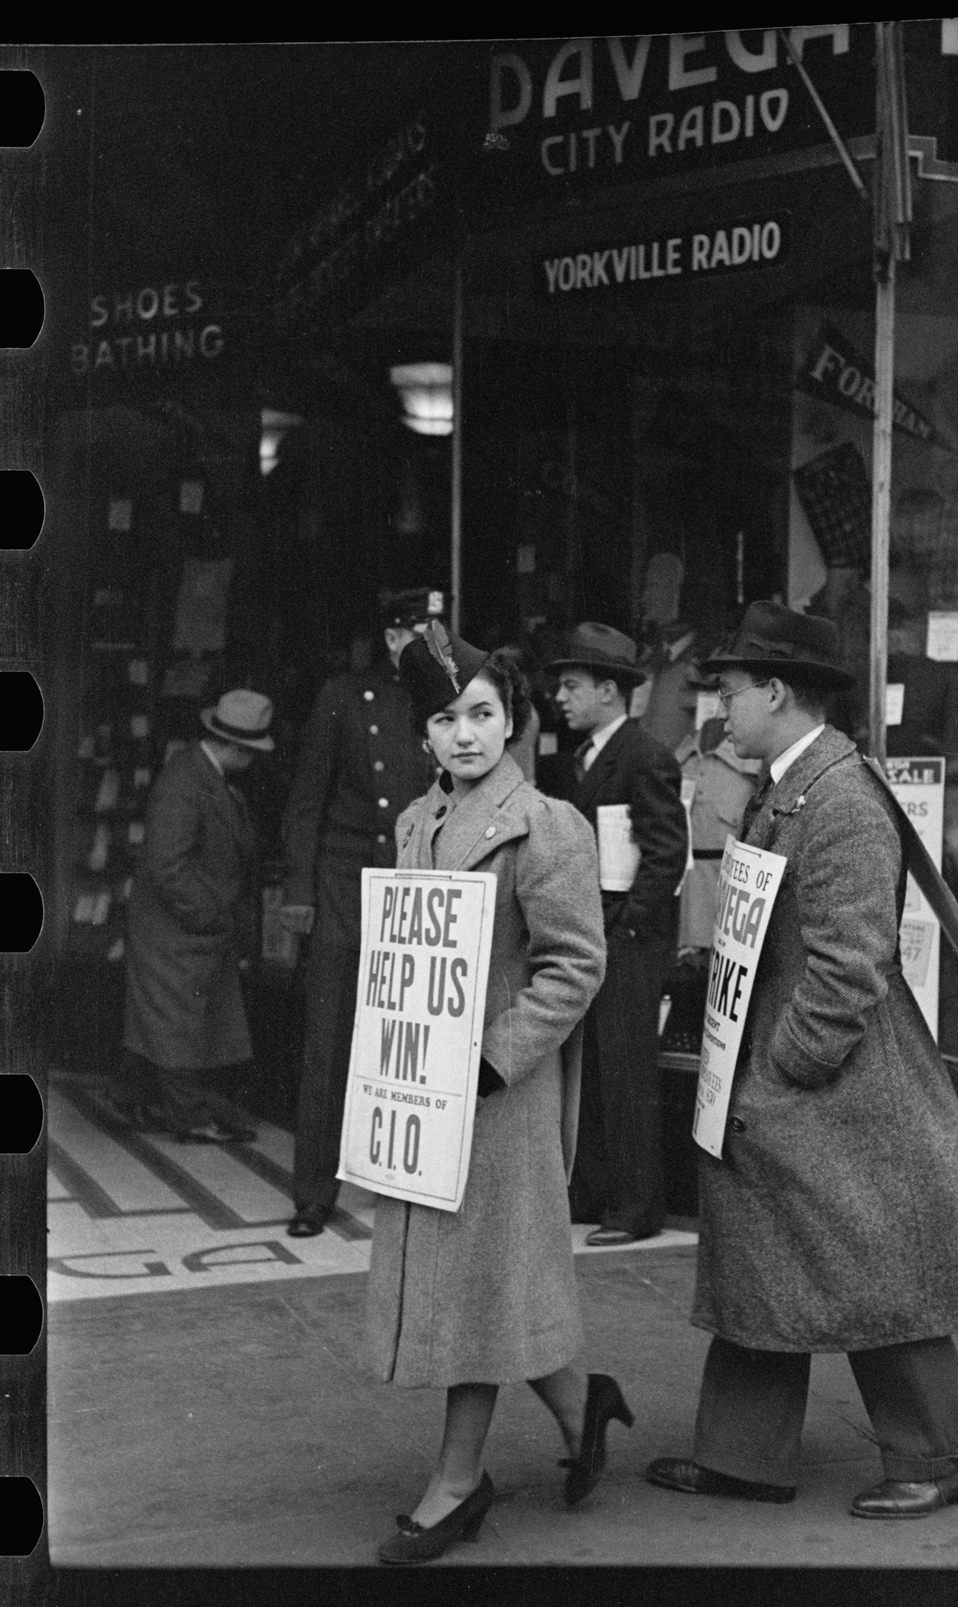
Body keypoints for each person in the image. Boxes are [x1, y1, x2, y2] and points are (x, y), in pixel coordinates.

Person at [646, 601, 958, 1518]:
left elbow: (851, 968)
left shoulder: (839, 796)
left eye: (730, 690)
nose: (720, 707)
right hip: (802, 1075)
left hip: (839, 1081)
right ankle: (742, 1454)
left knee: (874, 1265)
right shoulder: (796, 783)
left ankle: (936, 1450)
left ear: (777, 691)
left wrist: (781, 1070)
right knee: (768, 1254)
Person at [367, 622, 628, 1566]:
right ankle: (582, 1400)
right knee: (487, 1277)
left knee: (474, 1282)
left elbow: (574, 965)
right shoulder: (413, 820)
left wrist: (491, 1057)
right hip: (428, 1092)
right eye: (445, 718)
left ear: (511, 719)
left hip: (498, 1096)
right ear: (426, 734)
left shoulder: (545, 823)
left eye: (482, 713)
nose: (466, 733)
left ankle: (457, 1482)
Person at [279, 588, 438, 1237]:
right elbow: (306, 800)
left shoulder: (449, 703)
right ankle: (314, 1191)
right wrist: (299, 894)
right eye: (418, 635)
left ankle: (410, 1179)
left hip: (418, 886)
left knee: (413, 1043)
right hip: (348, 883)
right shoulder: (343, 694)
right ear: (396, 638)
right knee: (330, 1041)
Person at [548, 622, 688, 1246]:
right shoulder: (578, 759)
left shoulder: (645, 756)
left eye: (572, 685)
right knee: (593, 1070)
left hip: (625, 944)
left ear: (610, 691)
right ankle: (593, 1193)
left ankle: (636, 1208)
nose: (561, 696)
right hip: (588, 935)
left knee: (627, 1073)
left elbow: (666, 853)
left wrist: (630, 926)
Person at [112, 689, 275, 1142]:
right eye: (253, 752)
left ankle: (138, 1101)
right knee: (176, 1025)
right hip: (177, 930)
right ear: (237, 748)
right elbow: (166, 864)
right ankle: (185, 1117)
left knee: (172, 1022)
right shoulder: (187, 780)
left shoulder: (204, 775)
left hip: (185, 929)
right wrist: (209, 915)